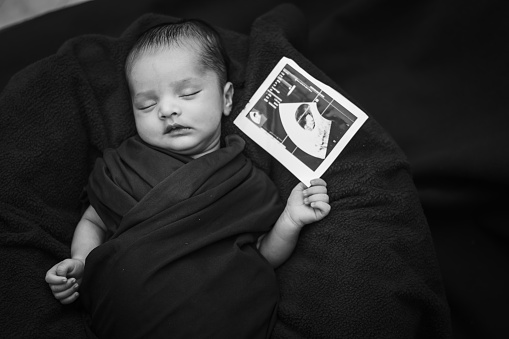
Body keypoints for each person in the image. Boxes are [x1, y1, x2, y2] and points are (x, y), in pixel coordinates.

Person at [45, 19, 330, 338]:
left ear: (226, 99)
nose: (166, 109)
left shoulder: (246, 183)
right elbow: (93, 222)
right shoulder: (122, 166)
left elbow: (263, 254)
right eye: (146, 104)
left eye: (188, 93)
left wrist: (290, 219)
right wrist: (81, 262)